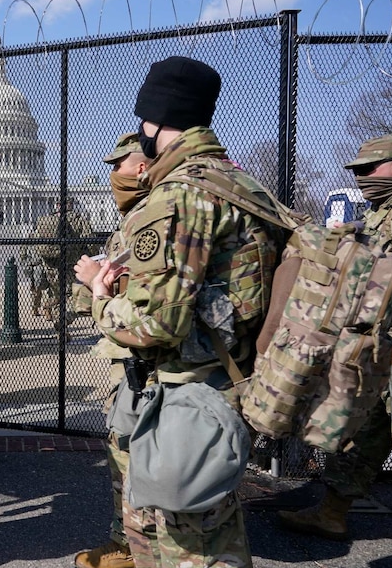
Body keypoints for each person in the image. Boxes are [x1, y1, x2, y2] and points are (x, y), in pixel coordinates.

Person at [90, 56, 283, 567]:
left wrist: (100, 296)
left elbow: (156, 324)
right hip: (232, 377)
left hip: (189, 393)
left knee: (188, 544)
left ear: (154, 120)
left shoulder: (178, 196)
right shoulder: (241, 184)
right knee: (205, 527)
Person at [277, 134, 392, 541]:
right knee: (366, 431)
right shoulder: (380, 212)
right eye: (357, 171)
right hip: (380, 348)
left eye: (370, 168)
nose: (362, 178)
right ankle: (332, 511)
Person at [72, 132, 152, 568]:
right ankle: (134, 542)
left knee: (133, 450)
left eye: (116, 166)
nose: (110, 176)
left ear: (138, 167)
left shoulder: (152, 217)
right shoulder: (147, 215)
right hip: (148, 360)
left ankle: (132, 548)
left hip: (143, 359)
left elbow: (146, 309)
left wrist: (96, 287)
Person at [35, 198, 94, 330]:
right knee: (74, 296)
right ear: (71, 204)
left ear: (57, 205)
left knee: (57, 296)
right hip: (72, 265)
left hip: (51, 266)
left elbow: (37, 243)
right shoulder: (79, 220)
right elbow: (90, 242)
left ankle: (60, 329)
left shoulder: (48, 221)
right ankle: (64, 321)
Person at [19, 229, 49, 317]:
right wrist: (29, 263)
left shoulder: (45, 236)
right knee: (37, 289)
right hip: (36, 266)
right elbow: (23, 255)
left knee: (50, 289)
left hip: (46, 265)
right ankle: (36, 308)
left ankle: (47, 309)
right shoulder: (30, 240)